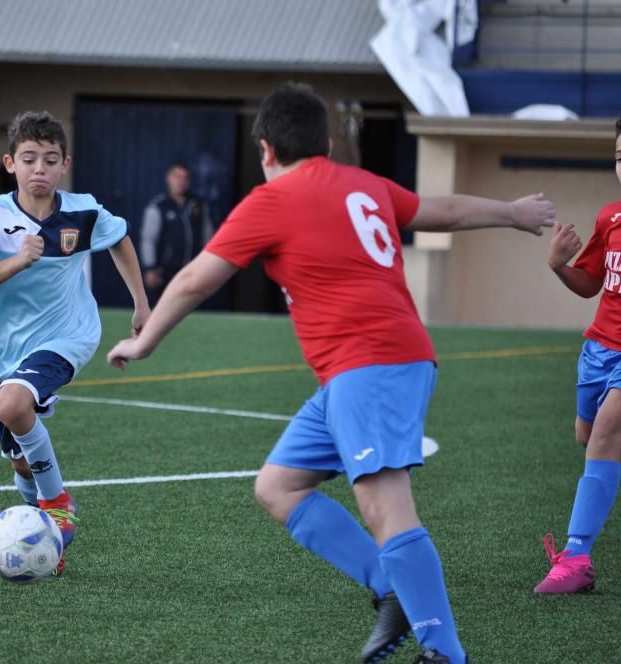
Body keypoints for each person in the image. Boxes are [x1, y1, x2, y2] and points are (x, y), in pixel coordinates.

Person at [107, 82, 555, 664]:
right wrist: (511, 213)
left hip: (370, 363)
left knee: (386, 508)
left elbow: (194, 279)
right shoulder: (364, 184)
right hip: (368, 369)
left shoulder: (273, 199)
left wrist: (144, 343)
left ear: (266, 150)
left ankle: (444, 652)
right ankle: (390, 584)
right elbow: (439, 210)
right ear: (326, 141)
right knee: (278, 486)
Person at [0, 110, 150, 575]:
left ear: (65, 163)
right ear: (10, 164)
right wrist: (18, 261)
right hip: (3, 351)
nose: (38, 169)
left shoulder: (83, 210)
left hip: (69, 334)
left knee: (13, 404)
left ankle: (58, 507)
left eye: (49, 159)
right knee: (21, 462)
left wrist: (141, 304)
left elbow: (119, 240)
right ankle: (47, 539)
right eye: (29, 159)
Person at [535, 116, 621, 595]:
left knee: (606, 433)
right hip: (598, 352)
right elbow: (590, 285)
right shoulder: (610, 218)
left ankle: (576, 558)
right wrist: (556, 266)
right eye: (620, 157)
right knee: (587, 435)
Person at [140, 162, 213, 305]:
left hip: (193, 270)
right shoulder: (158, 206)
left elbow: (208, 237)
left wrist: (208, 265)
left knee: (192, 313)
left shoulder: (198, 205)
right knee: (163, 311)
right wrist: (150, 267)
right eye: (177, 177)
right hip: (165, 273)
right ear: (168, 178)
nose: (181, 181)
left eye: (185, 178)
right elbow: (148, 239)